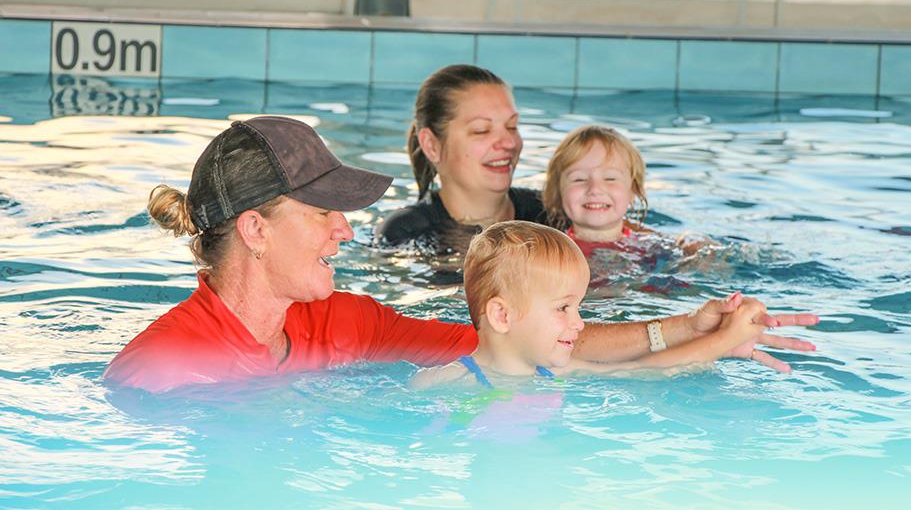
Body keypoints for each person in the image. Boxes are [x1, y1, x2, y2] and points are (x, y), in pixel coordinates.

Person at [105, 116, 817, 393]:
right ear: (256, 231)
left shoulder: (345, 325)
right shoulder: (161, 369)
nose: (346, 231)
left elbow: (518, 347)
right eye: (324, 214)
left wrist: (690, 329)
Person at [411, 221, 770, 390]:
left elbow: (651, 369)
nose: (579, 323)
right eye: (563, 308)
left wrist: (726, 338)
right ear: (502, 315)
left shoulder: (555, 372)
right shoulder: (440, 383)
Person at [375, 64, 545, 252]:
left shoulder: (551, 214)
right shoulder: (405, 234)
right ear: (432, 145)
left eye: (512, 126)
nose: (509, 143)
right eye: (481, 130)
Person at [543, 124, 704, 258]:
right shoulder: (549, 253)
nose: (595, 189)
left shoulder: (655, 247)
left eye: (610, 178)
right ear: (557, 193)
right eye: (579, 179)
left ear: (633, 191)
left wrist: (695, 245)